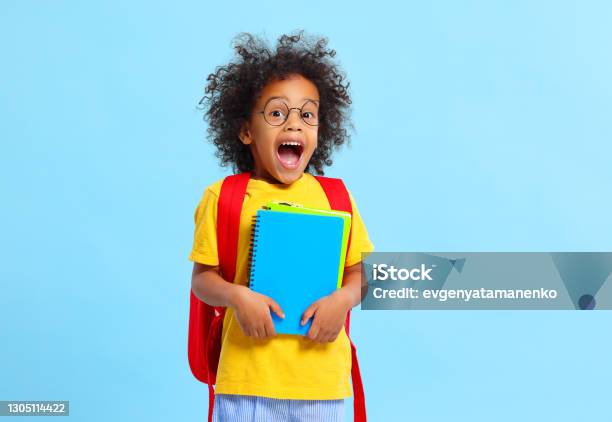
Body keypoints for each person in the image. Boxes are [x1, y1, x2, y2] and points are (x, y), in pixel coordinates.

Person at [189, 30, 374, 422]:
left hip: (322, 384)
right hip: (245, 381)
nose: (294, 126)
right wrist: (239, 297)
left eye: (308, 115)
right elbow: (202, 280)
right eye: (276, 113)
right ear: (245, 131)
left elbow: (363, 275)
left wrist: (341, 301)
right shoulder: (223, 197)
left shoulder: (337, 197)